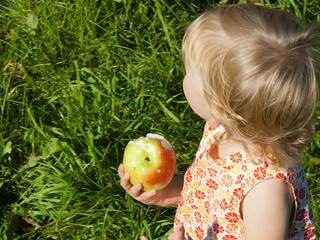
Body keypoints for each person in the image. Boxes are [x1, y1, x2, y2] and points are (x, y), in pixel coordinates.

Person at [118, 4, 318, 240]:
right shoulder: (222, 129)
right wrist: (164, 193)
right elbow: (207, 189)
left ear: (221, 105)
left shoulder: (265, 191)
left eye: (188, 72)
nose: (183, 77)